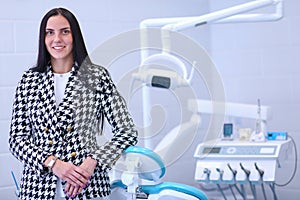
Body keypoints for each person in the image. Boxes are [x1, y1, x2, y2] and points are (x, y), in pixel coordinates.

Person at [8, 7, 138, 200]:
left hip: (88, 185)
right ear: (43, 39)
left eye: (65, 31)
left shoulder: (96, 77)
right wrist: (54, 163)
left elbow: (127, 131)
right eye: (49, 33)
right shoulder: (29, 80)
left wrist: (94, 161)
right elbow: (17, 140)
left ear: (75, 36)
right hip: (37, 189)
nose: (57, 39)